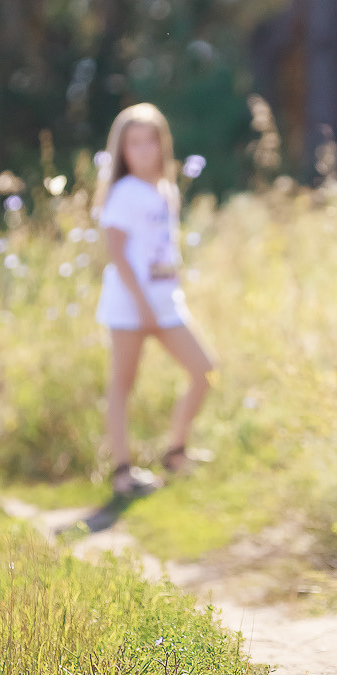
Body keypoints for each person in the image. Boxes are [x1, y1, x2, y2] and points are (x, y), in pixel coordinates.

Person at [95, 103, 214, 499]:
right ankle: (122, 471)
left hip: (166, 302)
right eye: (135, 143)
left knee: (205, 371)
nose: (145, 150)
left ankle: (176, 452)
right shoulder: (124, 193)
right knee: (122, 385)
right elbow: (117, 251)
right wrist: (142, 304)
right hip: (131, 305)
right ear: (122, 150)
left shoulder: (165, 188)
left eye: (152, 141)